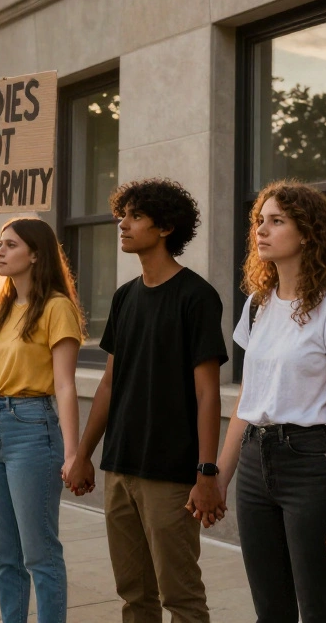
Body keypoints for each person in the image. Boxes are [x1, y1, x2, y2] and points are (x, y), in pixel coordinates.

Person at [67, 178, 228, 623]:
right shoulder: (125, 297)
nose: (122, 223)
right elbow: (108, 385)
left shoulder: (197, 297)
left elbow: (207, 392)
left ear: (165, 228)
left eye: (135, 216)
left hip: (172, 473)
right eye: (124, 213)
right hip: (120, 466)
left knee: (181, 598)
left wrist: (207, 471)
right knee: (135, 596)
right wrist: (83, 454)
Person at [214, 182, 326, 623]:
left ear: (307, 233)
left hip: (309, 463)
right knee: (270, 610)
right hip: (255, 465)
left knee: (319, 609)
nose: (261, 229)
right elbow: (249, 398)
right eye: (259, 220)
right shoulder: (258, 305)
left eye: (276, 221)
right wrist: (220, 477)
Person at [0, 218, 84, 623]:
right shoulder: (5, 305)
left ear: (36, 254)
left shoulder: (57, 308)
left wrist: (73, 452)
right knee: (5, 555)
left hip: (34, 430)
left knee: (39, 554)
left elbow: (65, 386)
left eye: (10, 245)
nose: (0, 251)